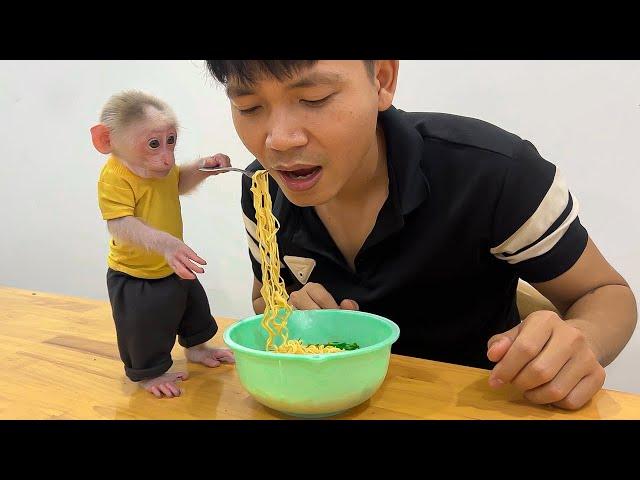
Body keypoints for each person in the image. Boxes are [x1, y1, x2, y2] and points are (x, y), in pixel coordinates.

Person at [205, 60, 636, 410]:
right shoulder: (262, 187)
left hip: (478, 403)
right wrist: (290, 312)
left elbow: (608, 293)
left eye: (313, 99)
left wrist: (586, 341)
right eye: (248, 107)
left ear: (382, 80)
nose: (278, 140)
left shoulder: (493, 174)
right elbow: (266, 299)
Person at [92, 90, 235, 398]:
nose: (167, 157)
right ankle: (149, 374)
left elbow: (178, 182)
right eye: (154, 144)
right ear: (107, 141)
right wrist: (166, 244)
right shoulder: (115, 177)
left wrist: (203, 168)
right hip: (136, 274)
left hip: (171, 263)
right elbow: (119, 224)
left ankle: (197, 348)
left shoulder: (162, 168)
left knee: (193, 308)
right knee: (144, 326)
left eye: (171, 140)